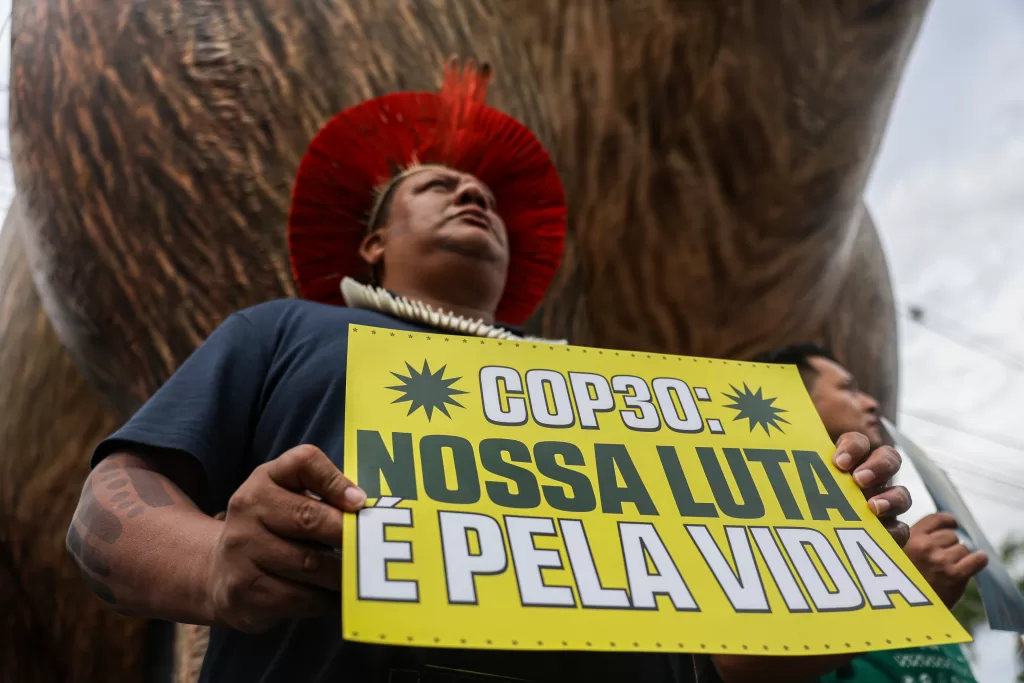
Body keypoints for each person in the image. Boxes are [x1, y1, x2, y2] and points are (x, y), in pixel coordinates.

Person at [67, 59, 912, 683]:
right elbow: (106, 508)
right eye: (437, 185)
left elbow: (712, 666)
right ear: (372, 243)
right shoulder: (283, 330)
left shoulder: (620, 397)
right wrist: (215, 560)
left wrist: (835, 567)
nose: (474, 197)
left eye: (488, 199)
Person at [753, 343, 988, 683]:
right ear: (791, 401)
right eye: (848, 389)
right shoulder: (752, 529)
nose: (870, 402)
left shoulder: (898, 539)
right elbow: (736, 667)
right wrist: (897, 591)